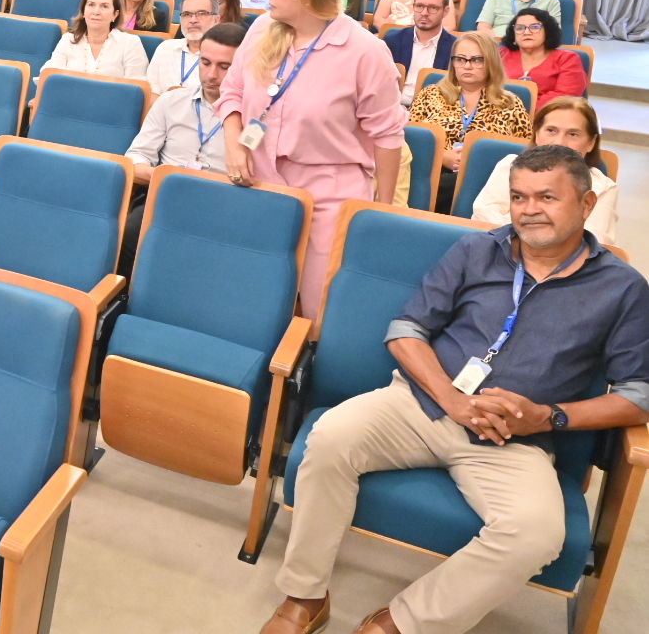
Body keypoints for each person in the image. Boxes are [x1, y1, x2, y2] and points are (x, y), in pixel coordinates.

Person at [260, 145, 649, 634]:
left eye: (547, 197)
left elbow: (638, 397)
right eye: (519, 197)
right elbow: (406, 330)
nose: (529, 210)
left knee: (536, 534)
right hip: (420, 405)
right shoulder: (477, 250)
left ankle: (401, 622)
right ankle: (305, 595)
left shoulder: (622, 288)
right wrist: (452, 399)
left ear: (587, 204)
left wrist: (549, 416)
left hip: (514, 439)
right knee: (330, 439)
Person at [218, 0, 405, 315]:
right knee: (251, 301)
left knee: (322, 309)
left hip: (330, 196)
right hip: (259, 185)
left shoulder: (365, 51)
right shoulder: (261, 29)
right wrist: (235, 145)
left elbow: (387, 135)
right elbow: (232, 91)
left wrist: (381, 213)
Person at [120, 23, 243, 271]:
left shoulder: (257, 118)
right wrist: (164, 175)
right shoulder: (171, 101)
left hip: (225, 205)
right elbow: (136, 157)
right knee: (127, 236)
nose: (211, 75)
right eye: (205, 63)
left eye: (224, 67)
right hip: (168, 196)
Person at [408, 30, 531, 211]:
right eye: (460, 59)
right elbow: (410, 141)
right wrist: (441, 156)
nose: (467, 66)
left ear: (491, 63)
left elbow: (525, 155)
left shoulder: (511, 104)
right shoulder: (430, 94)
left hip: (484, 182)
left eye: (476, 60)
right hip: (432, 174)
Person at [473, 97, 617, 244]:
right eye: (551, 131)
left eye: (573, 134)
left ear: (591, 142)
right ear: (537, 134)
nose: (559, 142)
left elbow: (592, 241)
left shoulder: (604, 188)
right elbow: (483, 218)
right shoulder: (509, 166)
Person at [43, 0, 149, 78]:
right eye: (91, 5)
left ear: (115, 14)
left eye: (104, 6)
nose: (96, 11)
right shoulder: (68, 40)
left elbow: (136, 87)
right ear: (83, 11)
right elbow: (49, 79)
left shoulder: (130, 43)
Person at [382, 0, 456, 107]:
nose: (424, 13)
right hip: (394, 107)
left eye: (433, 8)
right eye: (419, 6)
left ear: (445, 11)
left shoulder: (455, 48)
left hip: (433, 111)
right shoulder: (392, 41)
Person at [499, 8, 586, 109]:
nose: (526, 32)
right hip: (498, 113)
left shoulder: (567, 59)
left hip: (547, 114)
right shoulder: (501, 54)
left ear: (547, 31)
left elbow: (564, 98)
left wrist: (522, 112)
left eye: (535, 27)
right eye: (520, 28)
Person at [147, 0, 221, 92]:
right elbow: (151, 92)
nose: (193, 20)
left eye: (201, 13)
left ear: (216, 20)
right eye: (187, 14)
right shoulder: (165, 49)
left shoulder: (225, 57)